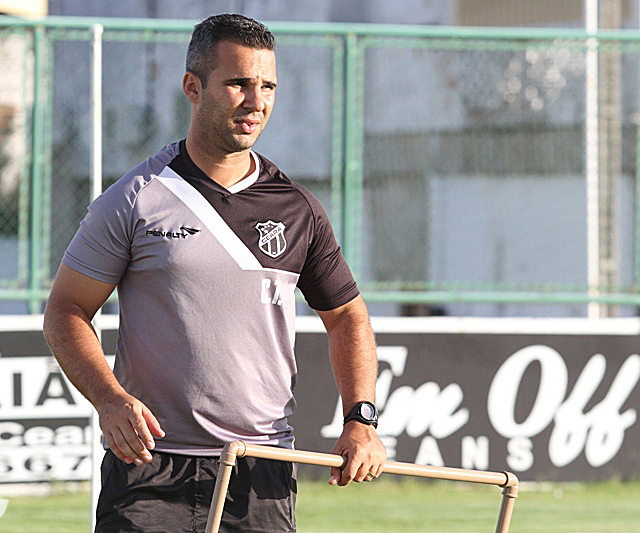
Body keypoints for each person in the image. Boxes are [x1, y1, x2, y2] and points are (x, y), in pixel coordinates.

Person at [43, 13, 386, 533]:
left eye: (268, 86)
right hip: (149, 468)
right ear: (193, 87)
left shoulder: (298, 208)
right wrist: (109, 399)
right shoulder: (135, 197)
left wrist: (361, 419)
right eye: (239, 83)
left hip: (262, 469)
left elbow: (347, 317)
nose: (256, 101)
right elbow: (66, 311)